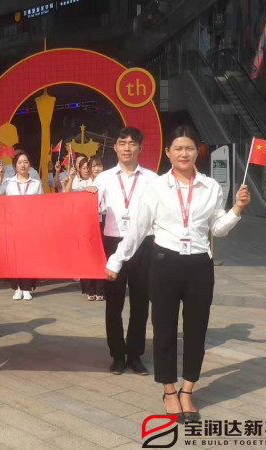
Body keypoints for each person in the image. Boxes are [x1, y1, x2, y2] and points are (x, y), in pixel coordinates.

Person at [106, 125, 250, 422]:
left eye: (190, 148)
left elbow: (217, 228)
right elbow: (138, 229)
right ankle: (169, 390)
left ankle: (187, 390)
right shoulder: (155, 187)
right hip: (164, 263)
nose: (184, 154)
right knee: (164, 328)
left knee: (196, 330)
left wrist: (236, 209)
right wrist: (117, 259)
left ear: (198, 151)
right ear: (168, 153)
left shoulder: (211, 187)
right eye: (178, 148)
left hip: (199, 265)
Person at [94, 126, 158, 376]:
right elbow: (92, 208)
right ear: (115, 147)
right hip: (113, 242)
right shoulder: (104, 178)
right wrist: (86, 195)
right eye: (122, 143)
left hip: (143, 244)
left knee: (141, 301)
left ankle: (135, 354)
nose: (127, 148)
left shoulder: (152, 179)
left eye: (132, 143)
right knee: (114, 302)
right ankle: (117, 355)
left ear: (140, 147)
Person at [0, 150, 43, 301]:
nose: (23, 165)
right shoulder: (9, 182)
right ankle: (17, 287)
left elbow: (41, 204)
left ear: (30, 165)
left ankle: (27, 288)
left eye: (25, 162)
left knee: (28, 256)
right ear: (14, 166)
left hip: (30, 225)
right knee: (14, 257)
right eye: (19, 162)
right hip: (13, 225)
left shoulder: (36, 183)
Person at [65, 156, 106, 301]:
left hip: (103, 219)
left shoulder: (107, 182)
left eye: (99, 165)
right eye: (94, 166)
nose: (97, 168)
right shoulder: (83, 183)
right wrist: (71, 179)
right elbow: (67, 194)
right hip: (87, 221)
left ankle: (101, 289)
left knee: (101, 254)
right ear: (88, 168)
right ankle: (89, 289)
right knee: (88, 254)